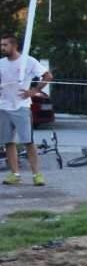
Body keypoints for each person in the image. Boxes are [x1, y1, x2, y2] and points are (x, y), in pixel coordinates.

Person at [0, 33, 53, 187]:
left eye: (5, 45)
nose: (2, 48)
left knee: (28, 141)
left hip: (21, 107)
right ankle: (15, 174)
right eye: (1, 45)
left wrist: (34, 91)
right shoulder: (1, 63)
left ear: (14, 46)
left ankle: (37, 174)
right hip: (3, 106)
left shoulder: (28, 62)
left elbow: (47, 76)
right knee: (8, 142)